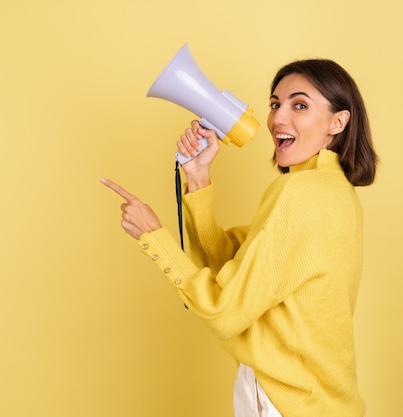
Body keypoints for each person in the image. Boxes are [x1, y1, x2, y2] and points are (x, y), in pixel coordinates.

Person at [101, 58, 378, 417]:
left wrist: (153, 237)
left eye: (300, 105)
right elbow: (239, 265)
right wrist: (198, 178)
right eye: (275, 104)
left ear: (337, 122)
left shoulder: (300, 191)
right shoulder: (334, 192)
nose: (278, 117)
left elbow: (226, 309)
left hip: (287, 403)